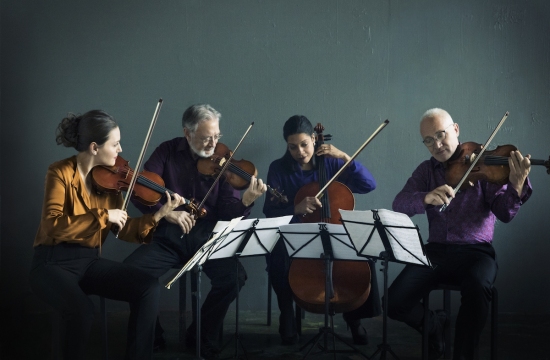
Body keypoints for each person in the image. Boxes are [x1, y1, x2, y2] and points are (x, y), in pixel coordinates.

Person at [29, 110, 185, 360]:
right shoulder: (60, 172)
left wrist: (158, 215)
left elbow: (123, 229)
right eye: (115, 144)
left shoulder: (110, 180)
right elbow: (52, 225)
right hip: (52, 262)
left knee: (148, 287)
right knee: (82, 311)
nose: (120, 149)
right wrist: (103, 216)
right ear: (94, 147)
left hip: (89, 260)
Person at [123, 103, 267, 359]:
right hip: (168, 237)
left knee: (234, 278)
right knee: (131, 273)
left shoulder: (223, 163)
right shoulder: (166, 151)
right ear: (187, 134)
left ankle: (201, 334)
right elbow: (141, 190)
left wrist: (245, 202)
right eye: (205, 137)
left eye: (217, 136)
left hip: (206, 239)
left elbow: (226, 210)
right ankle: (151, 336)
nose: (213, 144)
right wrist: (166, 211)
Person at [387, 108, 532, 360]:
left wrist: (516, 188)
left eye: (441, 135)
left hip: (476, 253)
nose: (437, 144)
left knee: (477, 289)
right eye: (429, 140)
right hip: (435, 251)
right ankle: (434, 325)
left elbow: (505, 213)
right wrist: (425, 198)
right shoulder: (426, 171)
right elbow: (399, 203)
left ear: (455, 130)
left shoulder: (485, 167)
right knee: (393, 301)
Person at [263, 115, 381, 345]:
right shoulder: (278, 168)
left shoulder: (331, 162)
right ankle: (287, 315)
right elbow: (270, 211)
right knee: (277, 254)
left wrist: (345, 158)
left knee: (363, 253)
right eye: (292, 146)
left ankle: (354, 318)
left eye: (304, 144)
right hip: (297, 232)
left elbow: (369, 185)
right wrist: (295, 208)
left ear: (314, 139)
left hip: (335, 230)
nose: (299, 151)